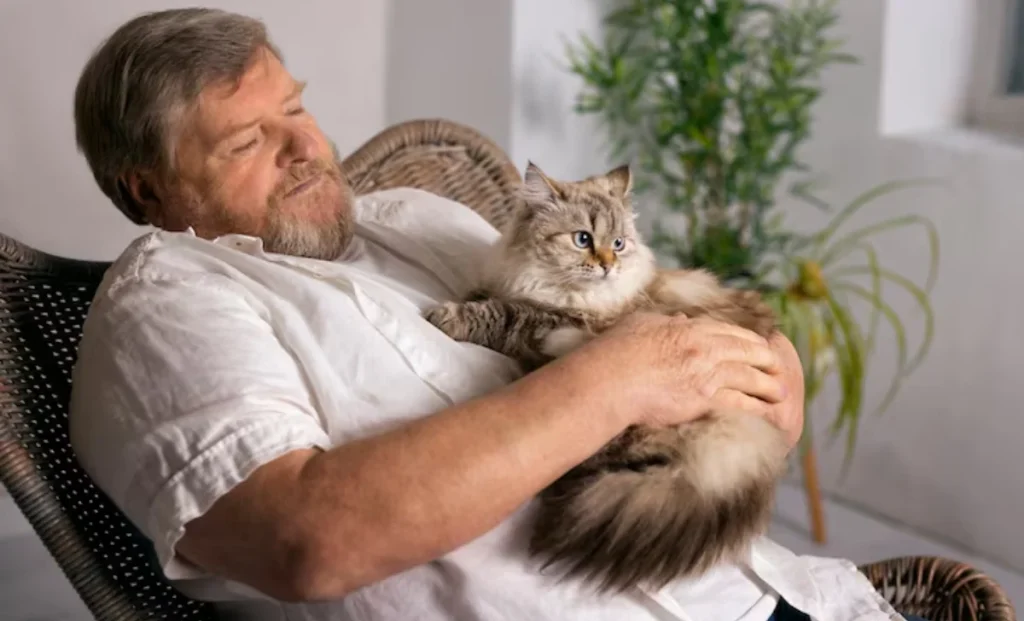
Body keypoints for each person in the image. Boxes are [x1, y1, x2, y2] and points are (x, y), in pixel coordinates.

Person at [66, 8, 921, 621]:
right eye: (248, 141)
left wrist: (766, 368)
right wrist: (621, 379)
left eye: (295, 107)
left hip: (770, 588)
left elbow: (625, 312)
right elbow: (306, 542)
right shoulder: (169, 302)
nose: (304, 146)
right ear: (148, 185)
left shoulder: (413, 214)